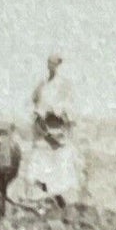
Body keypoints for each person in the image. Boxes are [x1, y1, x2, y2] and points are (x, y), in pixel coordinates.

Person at [29, 54, 82, 206]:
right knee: (38, 167)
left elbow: (69, 107)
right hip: (43, 131)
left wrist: (59, 114)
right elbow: (34, 103)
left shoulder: (64, 85)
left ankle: (60, 200)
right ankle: (45, 197)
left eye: (54, 63)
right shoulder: (42, 84)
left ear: (58, 65)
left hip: (58, 130)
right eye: (49, 63)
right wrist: (40, 115)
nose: (51, 66)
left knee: (60, 165)